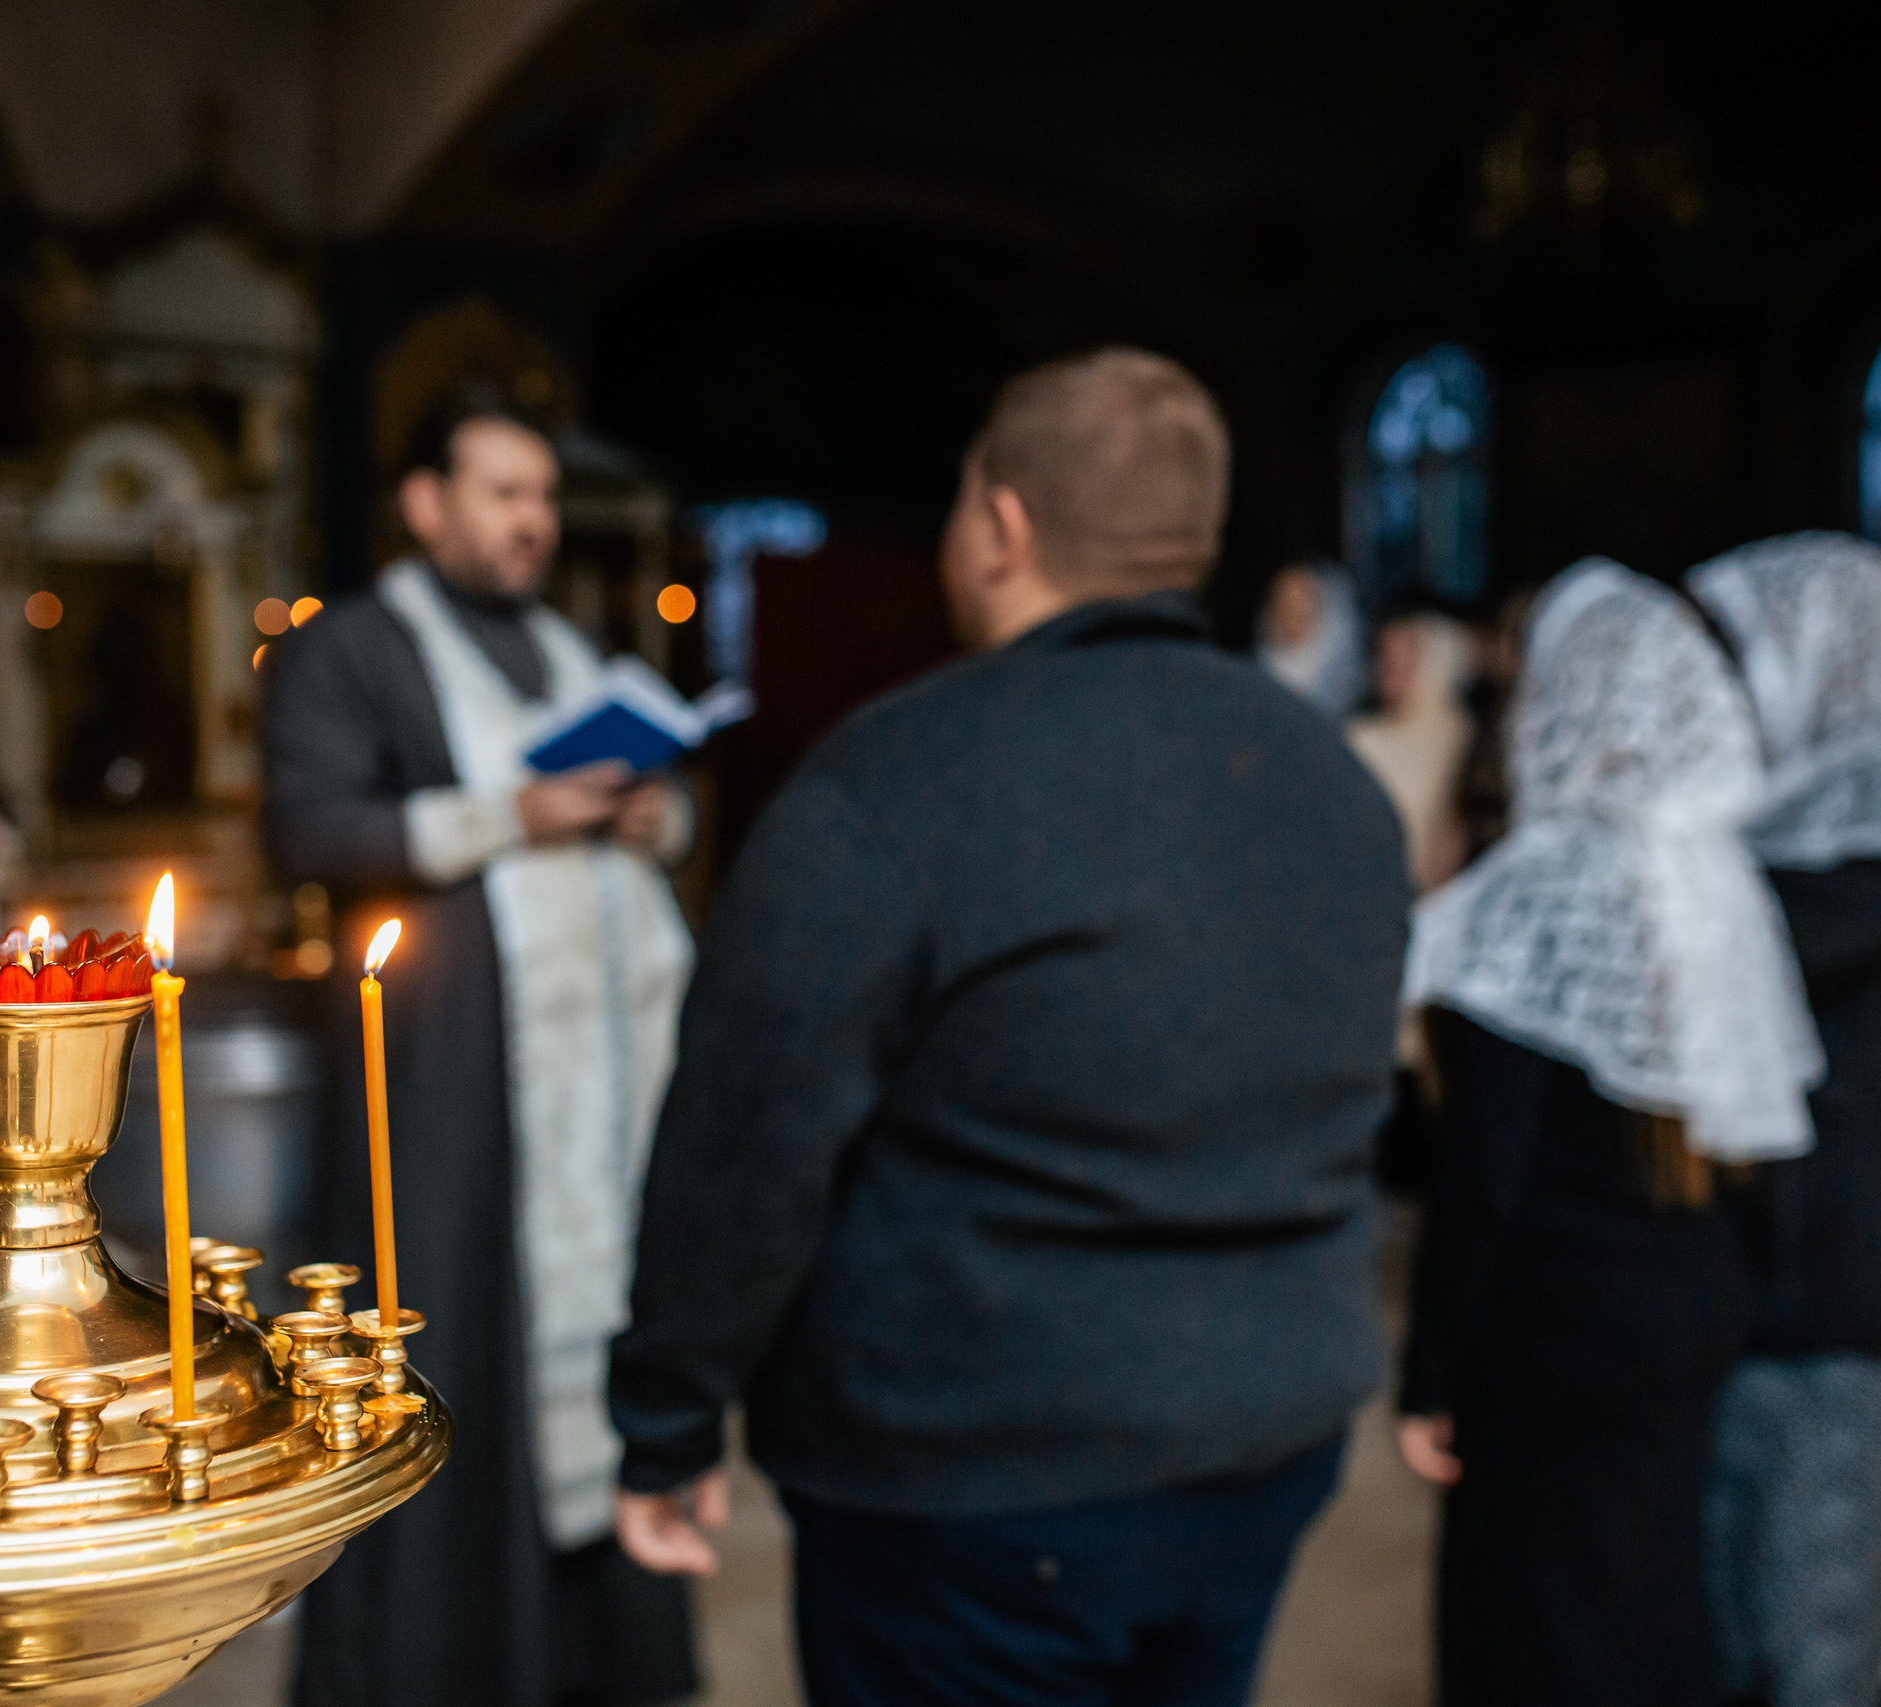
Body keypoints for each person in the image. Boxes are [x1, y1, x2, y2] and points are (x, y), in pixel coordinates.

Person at [608, 348, 1412, 1707]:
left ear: (1002, 525)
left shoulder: (896, 777)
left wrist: (668, 1413)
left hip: (980, 1458)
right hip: (1271, 1427)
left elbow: (747, 1140)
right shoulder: (1334, 776)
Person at [263, 384, 699, 1707]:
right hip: (452, 1090)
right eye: (503, 494)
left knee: (603, 1340)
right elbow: (312, 832)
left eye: (544, 497)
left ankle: (594, 1666)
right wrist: (509, 812)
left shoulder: (570, 650)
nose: (533, 522)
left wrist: (653, 818)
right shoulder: (353, 648)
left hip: (596, 1093)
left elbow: (657, 810)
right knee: (458, 1360)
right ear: (425, 501)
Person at [1398, 558, 1823, 1707]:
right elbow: (1770, 1124)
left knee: (1529, 1607)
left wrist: (1428, 1371)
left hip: (1550, 1329)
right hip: (1693, 1304)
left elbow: (1482, 1177)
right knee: (1649, 1580)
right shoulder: (1721, 884)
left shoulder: (1532, 893)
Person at [1685, 534, 1881, 1707]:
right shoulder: (1804, 801)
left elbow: (1761, 954)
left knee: (1814, 1648)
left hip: (1855, 1298)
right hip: (1769, 1270)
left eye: (1746, 655)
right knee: (1726, 1631)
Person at [1346, 609, 1473, 894]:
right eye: (1385, 660)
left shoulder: (1460, 736)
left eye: (1406, 661)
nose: (1392, 672)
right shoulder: (1358, 735)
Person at [1258, 559, 1368, 717]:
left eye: (1302, 598)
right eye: (1287, 602)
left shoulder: (1345, 664)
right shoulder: (1263, 669)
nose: (1295, 610)